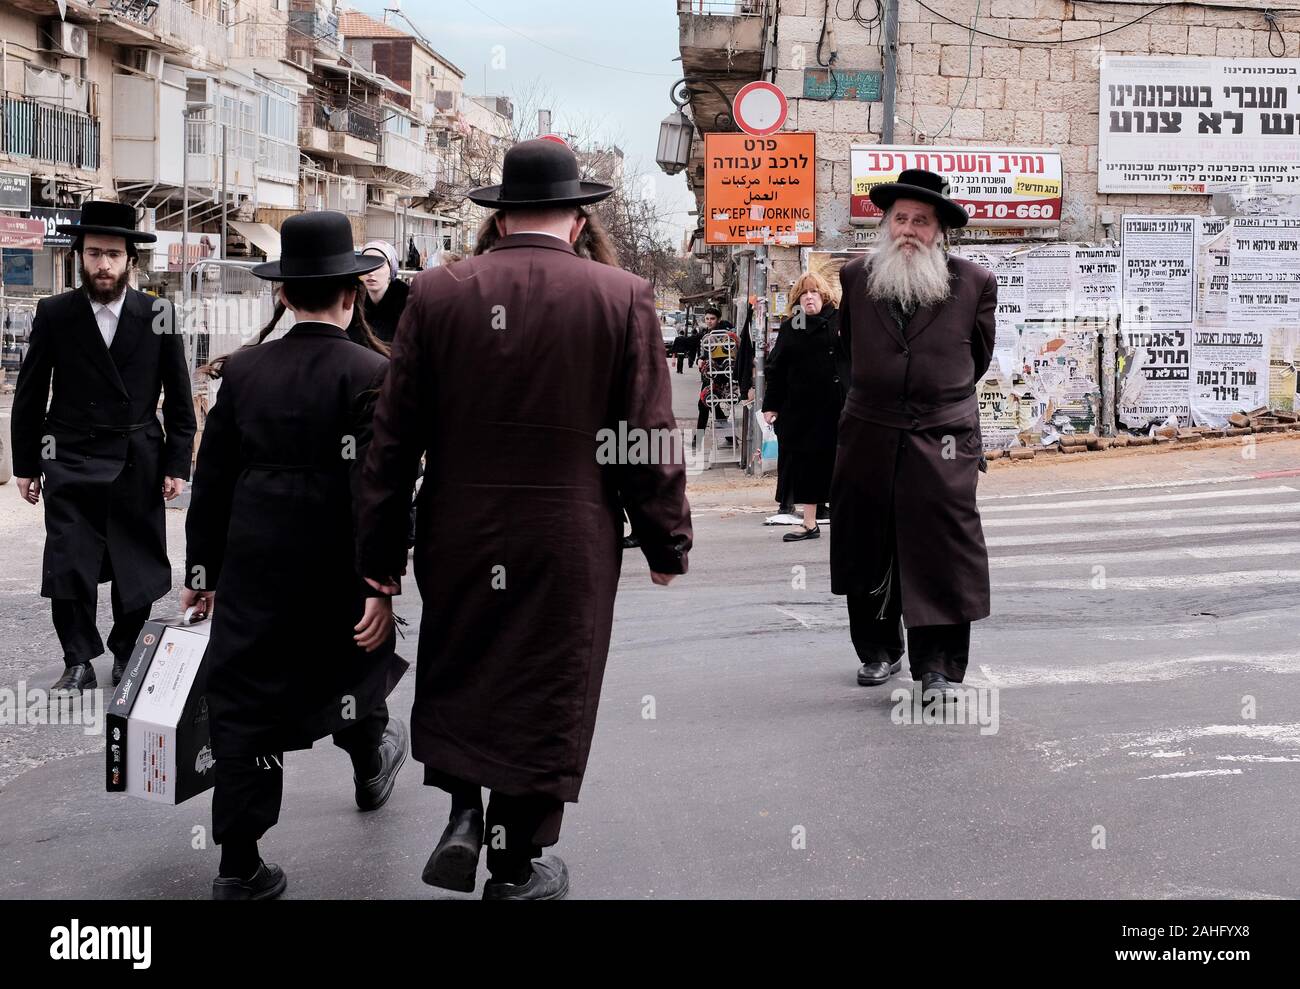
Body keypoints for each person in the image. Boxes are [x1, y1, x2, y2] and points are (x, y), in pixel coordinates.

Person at [356, 138, 692, 900]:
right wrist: (665, 537)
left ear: (500, 218)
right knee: (547, 684)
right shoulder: (622, 295)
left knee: (465, 663)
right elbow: (643, 434)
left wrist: (378, 558)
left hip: (458, 528)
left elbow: (392, 441)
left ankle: (464, 814)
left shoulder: (437, 294)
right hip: (568, 535)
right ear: (578, 218)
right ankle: (513, 865)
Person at [182, 211, 409, 901]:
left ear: (283, 294)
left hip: (253, 571)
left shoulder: (243, 372)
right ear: (350, 294)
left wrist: (202, 575)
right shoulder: (372, 370)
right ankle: (370, 758)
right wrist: (381, 580)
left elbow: (211, 480)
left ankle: (239, 864)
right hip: (337, 570)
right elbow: (381, 487)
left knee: (244, 709)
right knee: (352, 670)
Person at [10, 201, 195, 692]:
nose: (104, 265)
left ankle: (127, 649)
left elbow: (179, 395)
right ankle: (77, 660)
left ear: (130, 259)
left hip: (138, 456)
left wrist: (179, 462)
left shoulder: (159, 314)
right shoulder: (55, 313)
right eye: (94, 254)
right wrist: (26, 464)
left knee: (137, 560)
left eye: (114, 254)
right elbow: (29, 393)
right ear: (80, 256)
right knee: (70, 559)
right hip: (69, 454)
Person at [829, 169, 996, 697]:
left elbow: (979, 357)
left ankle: (938, 667)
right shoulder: (856, 278)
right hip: (869, 431)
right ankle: (878, 651)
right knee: (868, 543)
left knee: (940, 549)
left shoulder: (973, 282)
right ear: (885, 223)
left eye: (920, 221)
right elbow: (849, 352)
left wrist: (935, 391)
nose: (908, 229)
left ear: (939, 231)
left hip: (942, 435)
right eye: (899, 218)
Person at [762, 272, 847, 542]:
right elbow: (776, 369)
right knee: (808, 466)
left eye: (813, 292)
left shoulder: (841, 320)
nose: (808, 297)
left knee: (843, 464)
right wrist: (771, 405)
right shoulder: (792, 326)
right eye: (803, 293)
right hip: (803, 410)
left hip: (840, 405)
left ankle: (849, 522)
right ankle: (809, 524)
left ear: (824, 295)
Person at [356, 240, 410, 344]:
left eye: (379, 265)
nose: (370, 272)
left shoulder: (407, 301)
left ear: (391, 270)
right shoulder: (353, 299)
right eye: (366, 265)